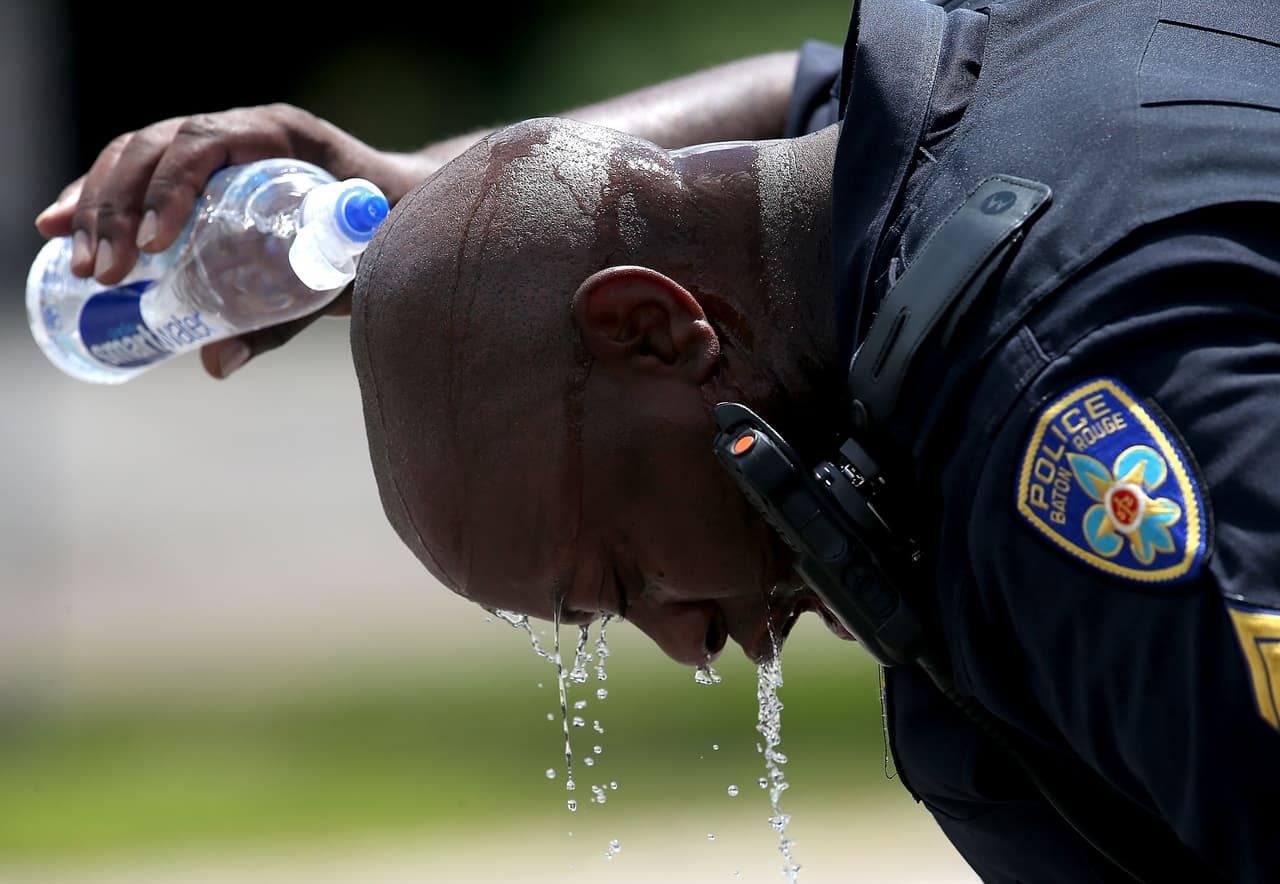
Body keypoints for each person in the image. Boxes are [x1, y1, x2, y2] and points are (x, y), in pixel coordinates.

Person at [33, 0, 1280, 880]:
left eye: (623, 576)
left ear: (656, 329)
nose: (686, 639)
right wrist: (427, 197)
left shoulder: (1057, 448)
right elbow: (805, 106)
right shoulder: (1013, 61)